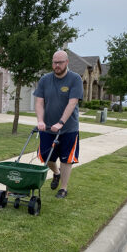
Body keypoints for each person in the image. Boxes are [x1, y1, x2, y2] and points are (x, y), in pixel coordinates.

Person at [34, 50, 83, 198]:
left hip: (68, 128)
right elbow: (39, 102)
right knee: (45, 156)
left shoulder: (75, 79)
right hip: (47, 128)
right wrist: (40, 121)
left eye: (60, 62)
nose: (57, 65)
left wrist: (61, 122)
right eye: (54, 62)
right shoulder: (45, 79)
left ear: (67, 62)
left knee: (66, 159)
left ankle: (63, 188)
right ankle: (56, 173)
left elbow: (72, 103)